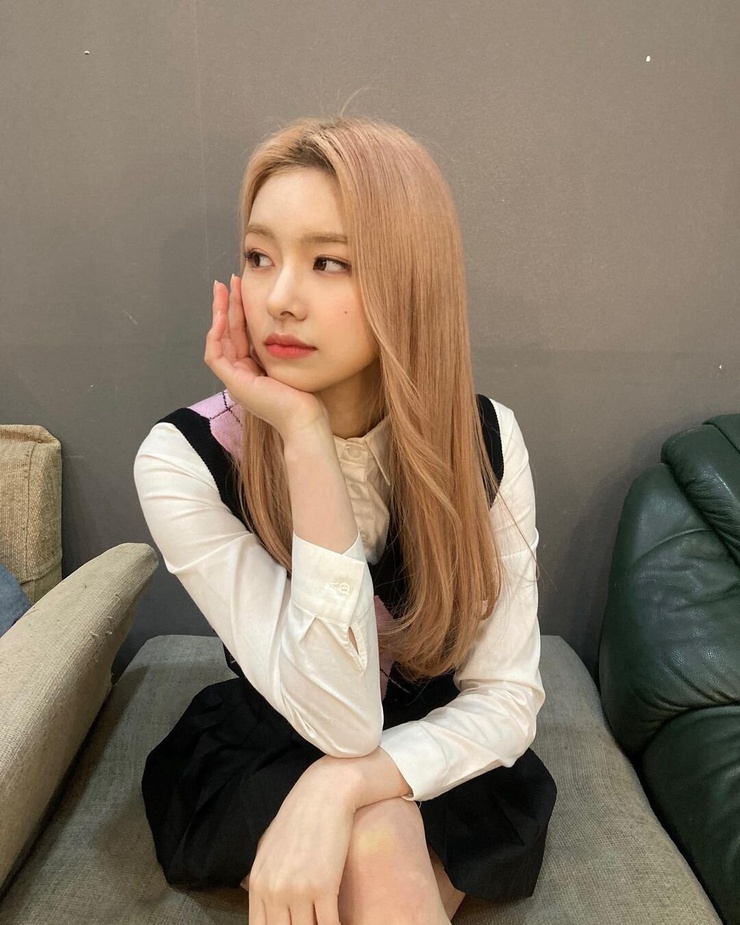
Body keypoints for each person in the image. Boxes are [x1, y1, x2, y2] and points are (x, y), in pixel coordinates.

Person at [133, 114, 557, 925]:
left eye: (329, 262)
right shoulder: (184, 459)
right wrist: (303, 437)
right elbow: (340, 716)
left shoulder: (485, 440)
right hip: (273, 737)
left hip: (441, 753)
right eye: (260, 257)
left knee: (373, 831)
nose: (279, 299)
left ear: (409, 280)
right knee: (378, 838)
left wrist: (345, 785)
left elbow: (505, 696)